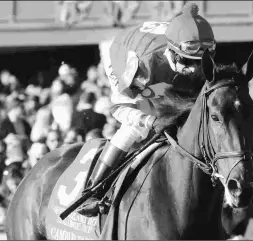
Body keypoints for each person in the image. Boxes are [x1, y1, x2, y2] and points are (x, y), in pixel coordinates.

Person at [79, 2, 216, 216]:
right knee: (136, 129)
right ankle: (92, 191)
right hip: (126, 55)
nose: (195, 70)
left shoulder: (198, 59)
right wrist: (151, 121)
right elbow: (118, 108)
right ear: (173, 52)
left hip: (161, 59)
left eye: (200, 62)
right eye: (189, 62)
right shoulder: (140, 65)